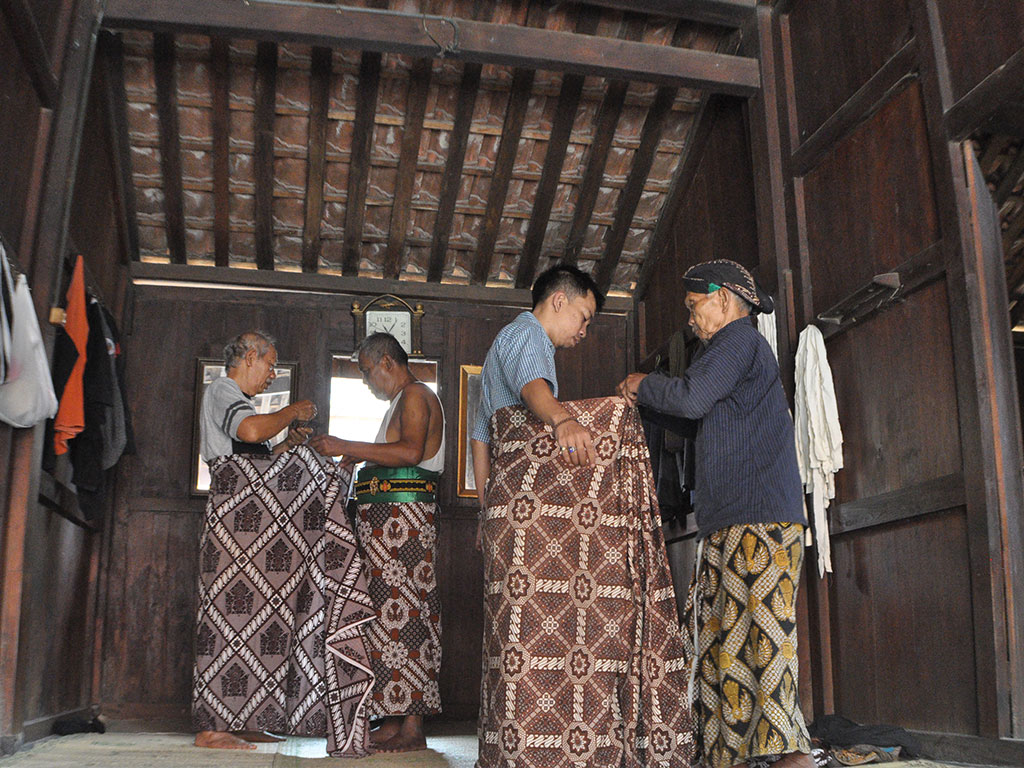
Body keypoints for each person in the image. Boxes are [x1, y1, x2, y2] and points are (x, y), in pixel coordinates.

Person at [471, 264, 694, 768]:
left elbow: (483, 436)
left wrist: (488, 513)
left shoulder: (496, 349)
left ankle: (514, 749)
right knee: (547, 635)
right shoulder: (527, 335)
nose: (584, 331)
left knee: (515, 638)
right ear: (558, 301)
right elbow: (533, 391)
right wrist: (566, 420)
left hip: (507, 512)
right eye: (585, 317)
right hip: (529, 521)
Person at [617, 259, 814, 768]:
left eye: (694, 306)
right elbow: (693, 416)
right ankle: (732, 753)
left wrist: (643, 384)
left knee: (763, 636)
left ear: (724, 298)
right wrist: (643, 404)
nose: (691, 319)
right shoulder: (724, 352)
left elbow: (692, 396)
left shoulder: (738, 341)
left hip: (761, 519)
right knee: (725, 638)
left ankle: (790, 756)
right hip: (731, 520)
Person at [310, 332, 445, 754]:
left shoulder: (417, 394)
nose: (368, 382)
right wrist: (361, 458)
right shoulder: (399, 401)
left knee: (409, 618)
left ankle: (412, 726)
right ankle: (392, 719)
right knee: (387, 621)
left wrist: (343, 445)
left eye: (368, 372)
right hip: (386, 523)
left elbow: (409, 453)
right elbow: (393, 452)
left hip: (405, 523)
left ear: (386, 361)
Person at [193, 331, 317, 751]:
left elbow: (254, 457)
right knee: (226, 621)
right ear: (250, 356)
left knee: (249, 624)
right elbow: (246, 432)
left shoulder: (236, 397)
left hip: (249, 530)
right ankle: (212, 728)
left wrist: (283, 445)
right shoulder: (224, 390)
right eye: (270, 365)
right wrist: (290, 412)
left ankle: (238, 718)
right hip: (235, 527)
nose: (272, 374)